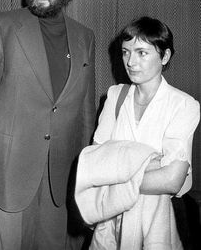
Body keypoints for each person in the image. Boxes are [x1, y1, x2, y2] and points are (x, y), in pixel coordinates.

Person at [0, 0, 96, 250]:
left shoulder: (85, 36)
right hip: (10, 171)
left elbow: (86, 110)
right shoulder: (2, 25)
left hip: (61, 175)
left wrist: (86, 174)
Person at [75, 16, 200, 249]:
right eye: (125, 52)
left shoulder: (183, 105)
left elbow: (172, 181)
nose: (131, 61)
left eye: (142, 53)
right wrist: (151, 165)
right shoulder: (115, 96)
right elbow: (96, 167)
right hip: (113, 219)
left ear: (164, 57)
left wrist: (117, 177)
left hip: (163, 217)